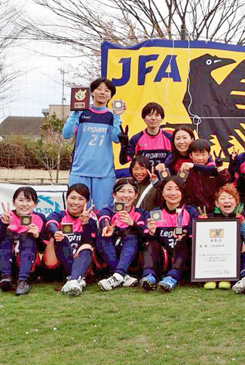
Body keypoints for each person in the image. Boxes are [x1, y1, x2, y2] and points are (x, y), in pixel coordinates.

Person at [62, 77, 124, 210]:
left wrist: (117, 116)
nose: (102, 92)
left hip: (104, 173)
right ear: (92, 92)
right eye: (99, 89)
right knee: (78, 210)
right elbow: (66, 134)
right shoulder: (81, 113)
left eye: (107, 90)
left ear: (111, 96)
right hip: (80, 171)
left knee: (103, 211)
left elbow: (116, 138)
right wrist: (74, 112)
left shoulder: (112, 115)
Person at [140, 176, 200, 292]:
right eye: (168, 189)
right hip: (164, 259)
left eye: (177, 189)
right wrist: (151, 233)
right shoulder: (156, 212)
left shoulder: (190, 211)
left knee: (184, 243)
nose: (173, 193)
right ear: (162, 193)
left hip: (183, 260)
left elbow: (196, 238)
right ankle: (149, 276)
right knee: (150, 244)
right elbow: (147, 239)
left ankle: (172, 278)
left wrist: (185, 235)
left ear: (182, 192)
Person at [0, 187, 44, 295]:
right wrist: (4, 227)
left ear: (35, 204)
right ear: (14, 202)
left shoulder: (39, 219)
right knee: (7, 234)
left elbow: (43, 249)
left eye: (28, 200)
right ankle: (6, 278)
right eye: (20, 200)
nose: (24, 204)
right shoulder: (1, 218)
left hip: (28, 270)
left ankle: (22, 281)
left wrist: (37, 236)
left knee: (28, 237)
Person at [42, 183, 97, 296]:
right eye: (72, 198)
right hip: (58, 265)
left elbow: (89, 243)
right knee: (61, 238)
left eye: (81, 199)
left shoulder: (90, 221)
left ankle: (72, 280)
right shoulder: (58, 215)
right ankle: (76, 279)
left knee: (87, 247)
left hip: (80, 264)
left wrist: (85, 224)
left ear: (86, 202)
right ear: (66, 198)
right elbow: (50, 224)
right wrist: (56, 232)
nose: (76, 202)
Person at [95, 178, 148, 291]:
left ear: (136, 195)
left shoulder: (142, 213)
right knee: (102, 234)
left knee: (132, 235)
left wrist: (132, 223)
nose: (126, 195)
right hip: (110, 254)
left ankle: (118, 275)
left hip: (132, 256)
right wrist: (106, 227)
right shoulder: (108, 210)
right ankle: (121, 275)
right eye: (122, 191)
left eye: (130, 192)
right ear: (114, 195)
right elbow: (103, 218)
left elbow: (144, 232)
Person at [207, 184, 245, 290]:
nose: (227, 201)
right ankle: (209, 277)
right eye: (223, 198)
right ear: (217, 203)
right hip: (217, 256)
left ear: (236, 202)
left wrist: (243, 223)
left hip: (237, 255)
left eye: (230, 198)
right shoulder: (210, 217)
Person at [182, 139, 229, 214]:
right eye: (196, 155)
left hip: (216, 211)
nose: (200, 158)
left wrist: (220, 166)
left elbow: (227, 180)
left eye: (203, 155)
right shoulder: (187, 170)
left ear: (209, 155)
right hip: (195, 212)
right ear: (191, 155)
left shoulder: (214, 169)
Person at [118, 102, 172, 168]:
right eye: (149, 115)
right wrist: (124, 146)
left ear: (162, 118)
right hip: (142, 174)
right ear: (144, 118)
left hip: (164, 174)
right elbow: (123, 161)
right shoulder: (136, 139)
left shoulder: (170, 138)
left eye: (157, 115)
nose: (153, 118)